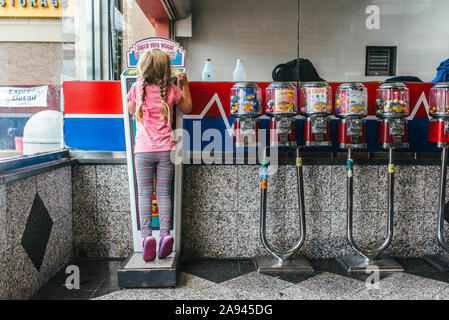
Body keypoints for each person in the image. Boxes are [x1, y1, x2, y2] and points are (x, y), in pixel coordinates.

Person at [127, 49, 192, 262]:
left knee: (145, 195)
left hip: (143, 151)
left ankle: (147, 237)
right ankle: (165, 234)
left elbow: (130, 108)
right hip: (166, 150)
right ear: (167, 70)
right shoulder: (172, 89)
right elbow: (189, 107)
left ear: (143, 69)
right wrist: (185, 82)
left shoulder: (137, 88)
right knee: (163, 194)